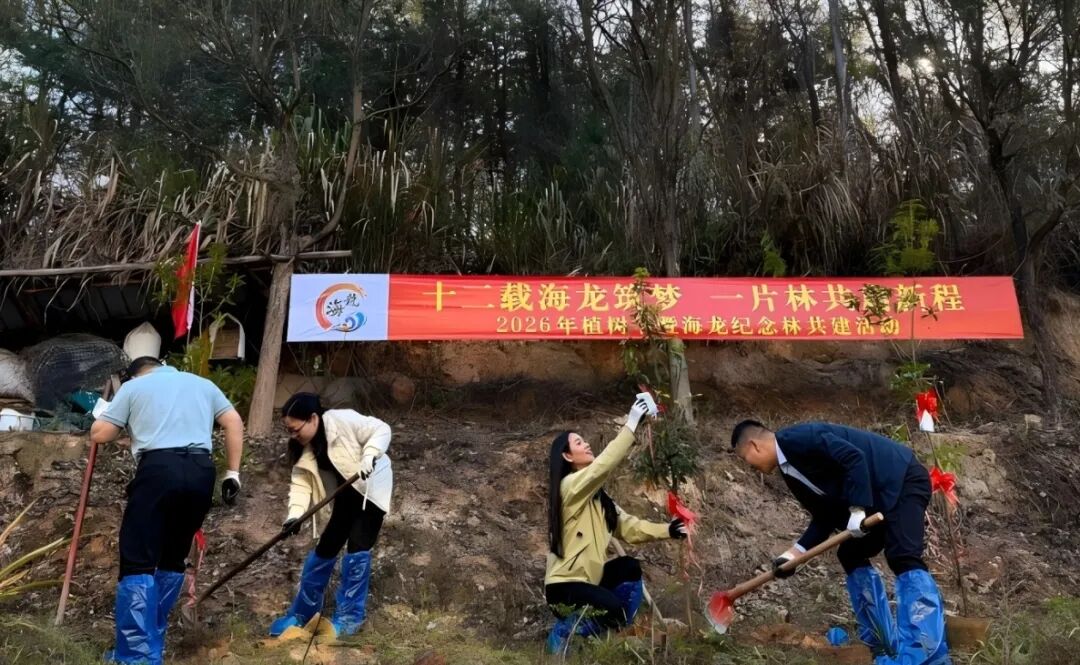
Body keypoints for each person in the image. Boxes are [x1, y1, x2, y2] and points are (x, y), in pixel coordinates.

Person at [730, 419, 951, 665]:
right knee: (850, 554)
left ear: (754, 445)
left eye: (745, 458)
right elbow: (823, 515)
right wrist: (793, 554)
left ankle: (924, 652)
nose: (750, 466)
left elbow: (853, 457)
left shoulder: (799, 438)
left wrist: (857, 508)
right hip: (876, 498)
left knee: (903, 556)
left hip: (901, 480)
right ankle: (881, 642)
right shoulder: (789, 469)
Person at [91, 357, 244, 665]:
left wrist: (103, 412)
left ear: (135, 374)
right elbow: (233, 421)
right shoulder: (203, 384)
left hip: (159, 470)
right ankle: (151, 646)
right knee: (173, 557)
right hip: (201, 472)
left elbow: (101, 434)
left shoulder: (134, 387)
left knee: (138, 560)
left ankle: (135, 657)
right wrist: (233, 473)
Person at [544, 394, 687, 654]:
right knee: (612, 608)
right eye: (579, 443)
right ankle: (563, 635)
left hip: (590, 582)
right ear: (567, 456)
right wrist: (630, 425)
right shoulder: (568, 488)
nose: (587, 444)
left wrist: (668, 530)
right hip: (564, 586)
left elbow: (630, 528)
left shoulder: (601, 500)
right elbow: (602, 467)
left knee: (629, 568)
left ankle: (607, 633)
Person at [268, 392, 393, 639]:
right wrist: (294, 516)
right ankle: (303, 613)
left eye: (295, 429)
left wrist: (370, 454)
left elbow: (381, 429)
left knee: (357, 548)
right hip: (345, 493)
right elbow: (301, 484)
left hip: (371, 489)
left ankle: (348, 619)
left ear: (313, 418)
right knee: (326, 547)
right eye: (289, 431)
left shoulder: (341, 420)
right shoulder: (305, 449)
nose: (293, 435)